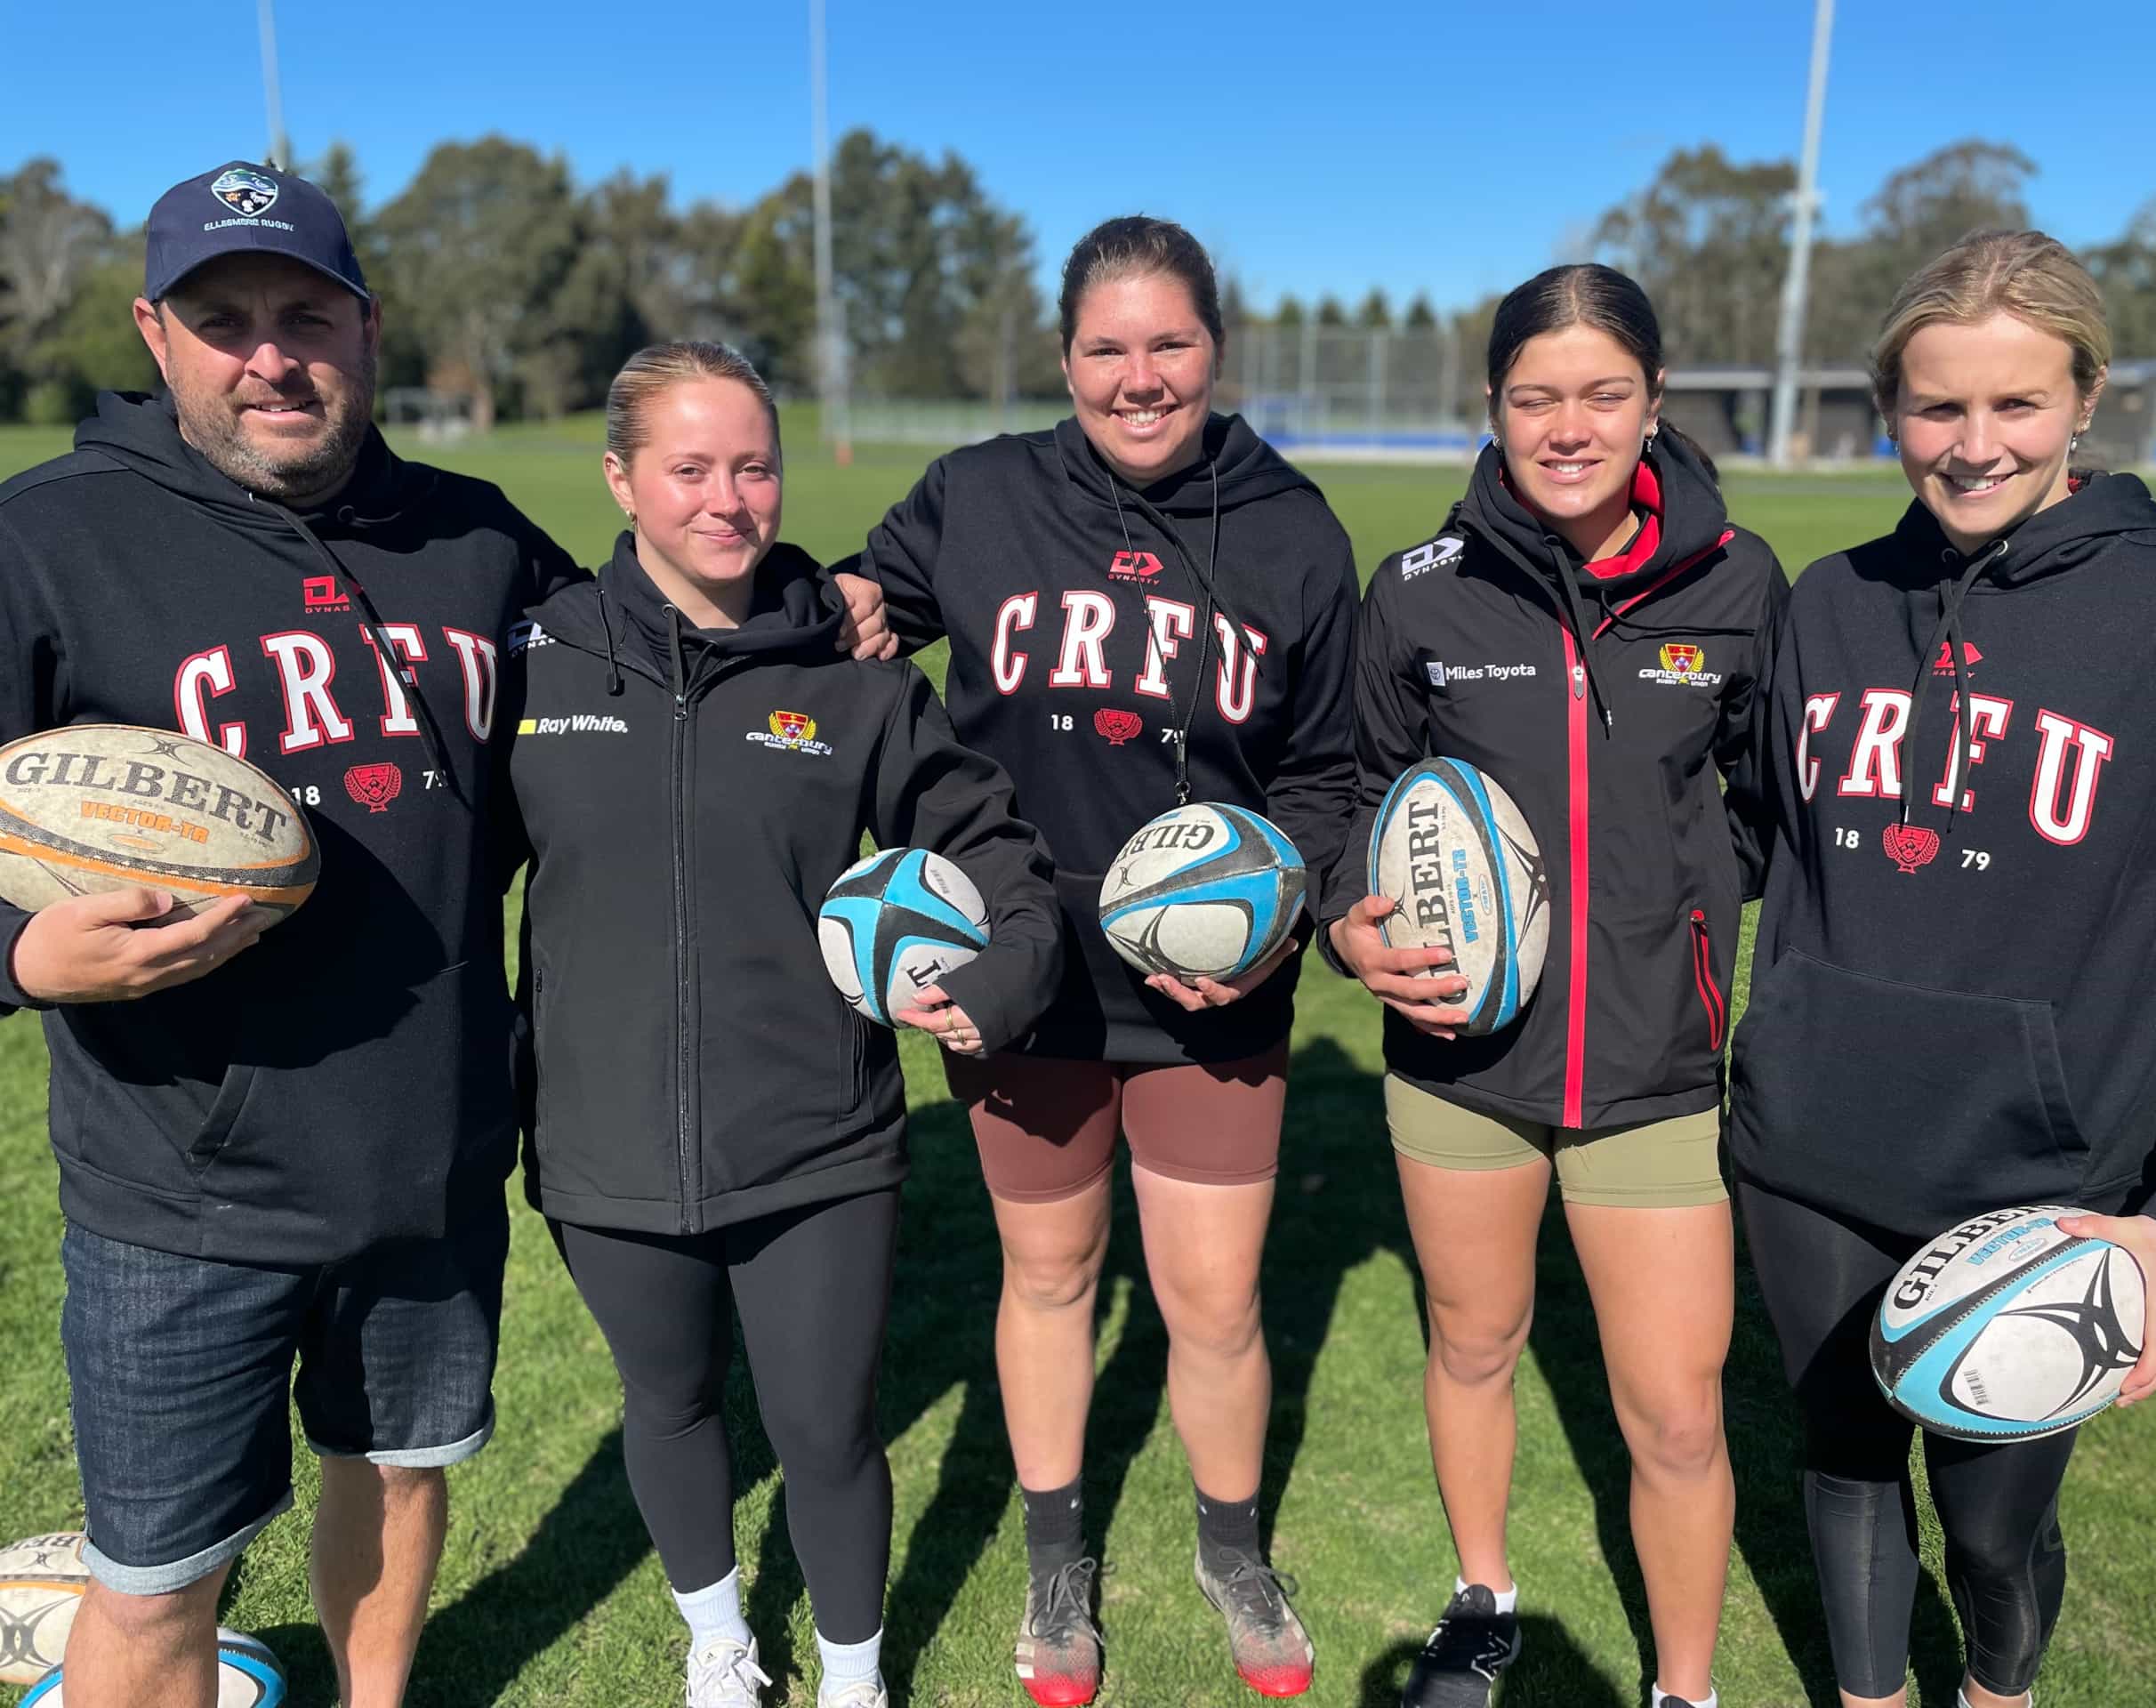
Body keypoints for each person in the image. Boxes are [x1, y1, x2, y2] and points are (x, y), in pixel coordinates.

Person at [0, 164, 889, 1708]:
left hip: (430, 1152)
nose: (271, 356)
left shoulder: (476, 541)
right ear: (155, 334)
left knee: (402, 1480)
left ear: (367, 328)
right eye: (225, 320)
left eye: (306, 316)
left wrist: (817, 601)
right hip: (181, 1184)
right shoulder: (50, 539)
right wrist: (19, 960)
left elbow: (660, 641)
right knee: (161, 1579)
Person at [1727, 230, 2156, 1708]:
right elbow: (1750, 836)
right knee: (1844, 1465)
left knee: (1991, 1527)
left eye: (2017, 404)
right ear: (1888, 410)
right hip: (1809, 1147)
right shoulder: (1830, 601)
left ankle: (1997, 1690)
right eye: (1937, 407)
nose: (1975, 446)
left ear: (2087, 397)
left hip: (2042, 1180)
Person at [506, 341, 1059, 1708]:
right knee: (669, 1404)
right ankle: (719, 1641)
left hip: (818, 1137)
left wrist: (998, 981)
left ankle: (854, 1677)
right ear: (621, 480)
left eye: (752, 466)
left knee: (825, 1431)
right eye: (689, 468)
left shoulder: (853, 676)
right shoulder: (538, 662)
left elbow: (993, 848)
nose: (727, 499)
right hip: (602, 1134)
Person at [856, 215, 1357, 1703]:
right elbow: (856, 620)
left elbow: (1324, 773)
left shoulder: (1294, 530)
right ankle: (1056, 1558)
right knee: (1050, 1272)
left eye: (1170, 344)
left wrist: (1277, 919)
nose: (1141, 378)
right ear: (1066, 357)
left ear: (1217, 348)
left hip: (1214, 987)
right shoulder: (980, 496)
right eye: (1107, 348)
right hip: (1029, 973)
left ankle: (1231, 1548)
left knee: (1214, 1300)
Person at [1320, 264, 1787, 1708]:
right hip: (1461, 1061)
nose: (1567, 426)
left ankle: (1685, 1688)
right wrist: (1349, 921)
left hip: (1653, 1068)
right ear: (1493, 406)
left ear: (1653, 403)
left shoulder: (1740, 585)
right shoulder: (1420, 592)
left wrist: (1682, 911)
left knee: (1677, 1414)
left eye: (1602, 394)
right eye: (1535, 397)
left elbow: (1767, 803)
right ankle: (1482, 1600)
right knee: (1473, 1344)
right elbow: (1355, 790)